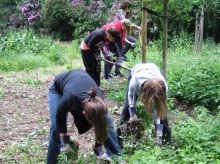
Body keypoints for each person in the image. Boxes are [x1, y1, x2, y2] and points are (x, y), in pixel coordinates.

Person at [46, 69, 121, 164]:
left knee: (108, 121)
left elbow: (101, 126)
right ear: (83, 113)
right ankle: (52, 161)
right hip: (58, 88)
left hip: (78, 81)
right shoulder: (70, 98)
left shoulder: (99, 101)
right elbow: (59, 115)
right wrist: (65, 143)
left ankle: (115, 157)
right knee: (56, 128)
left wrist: (98, 150)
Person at [116, 63, 171, 146]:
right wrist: (132, 114)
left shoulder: (163, 87)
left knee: (162, 112)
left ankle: (165, 142)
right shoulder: (135, 81)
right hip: (137, 72)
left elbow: (157, 107)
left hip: (154, 71)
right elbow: (131, 96)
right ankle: (118, 143)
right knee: (126, 108)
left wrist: (158, 128)